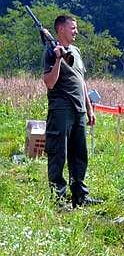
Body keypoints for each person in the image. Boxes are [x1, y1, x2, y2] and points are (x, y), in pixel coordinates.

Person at [42, 14, 101, 208]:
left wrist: (89, 108)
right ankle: (59, 199)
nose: (76, 31)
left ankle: (80, 196)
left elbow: (81, 81)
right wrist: (58, 59)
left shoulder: (75, 50)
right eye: (72, 28)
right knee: (58, 154)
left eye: (76, 28)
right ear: (60, 30)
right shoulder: (50, 51)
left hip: (79, 109)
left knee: (79, 155)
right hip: (61, 109)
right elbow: (49, 83)